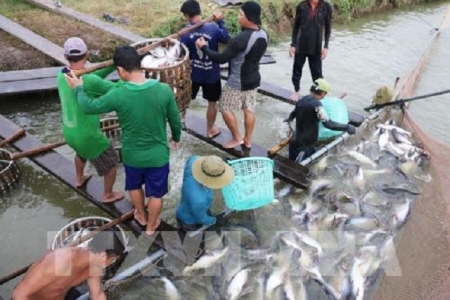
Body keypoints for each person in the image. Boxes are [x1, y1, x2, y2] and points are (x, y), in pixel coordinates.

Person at [65, 46, 182, 235]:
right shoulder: (164, 89)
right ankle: (152, 226)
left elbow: (89, 106)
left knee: (134, 186)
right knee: (156, 194)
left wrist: (79, 88)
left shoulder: (118, 94)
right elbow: (175, 119)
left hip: (132, 155)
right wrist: (175, 137)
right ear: (139, 65)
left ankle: (141, 216)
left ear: (120, 70)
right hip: (158, 155)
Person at [57, 37, 124, 203]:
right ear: (87, 54)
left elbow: (92, 75)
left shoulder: (62, 75)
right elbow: (118, 90)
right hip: (88, 136)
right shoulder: (90, 81)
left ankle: (79, 178)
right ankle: (108, 195)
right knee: (111, 164)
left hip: (70, 132)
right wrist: (127, 73)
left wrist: (112, 65)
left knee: (81, 153)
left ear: (66, 57)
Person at [195, 1, 268, 150]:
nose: (238, 17)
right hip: (254, 78)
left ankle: (237, 138)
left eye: (241, 15)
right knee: (249, 109)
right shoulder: (263, 33)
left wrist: (204, 48)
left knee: (224, 106)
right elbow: (235, 45)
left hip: (237, 80)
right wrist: (221, 22)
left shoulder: (242, 38)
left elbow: (222, 58)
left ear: (250, 18)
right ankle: (247, 140)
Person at [12, 228, 125, 300]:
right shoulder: (61, 262)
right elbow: (19, 295)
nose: (112, 263)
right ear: (103, 255)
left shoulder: (94, 266)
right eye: (113, 260)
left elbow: (97, 295)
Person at [180, 0, 230, 138]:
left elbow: (181, 53)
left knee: (185, 98)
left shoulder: (185, 32)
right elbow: (226, 38)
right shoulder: (213, 28)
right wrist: (221, 22)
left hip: (193, 74)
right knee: (212, 103)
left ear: (186, 15)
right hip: (211, 74)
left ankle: (182, 119)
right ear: (199, 12)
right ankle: (209, 130)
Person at [284, 78, 355, 162]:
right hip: (303, 147)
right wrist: (347, 127)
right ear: (323, 93)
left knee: (293, 161)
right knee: (298, 167)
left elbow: (293, 114)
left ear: (311, 90)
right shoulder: (317, 106)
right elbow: (329, 124)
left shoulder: (302, 99)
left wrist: (288, 120)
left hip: (296, 140)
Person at [176, 155, 234, 231]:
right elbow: (200, 218)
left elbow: (209, 163)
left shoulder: (193, 160)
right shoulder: (199, 200)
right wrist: (215, 220)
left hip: (186, 206)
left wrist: (221, 166)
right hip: (189, 221)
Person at [289, 0, 332, 101]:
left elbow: (328, 28)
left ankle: (320, 95)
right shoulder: (302, 6)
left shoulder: (326, 7)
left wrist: (326, 46)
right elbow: (296, 26)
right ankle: (296, 90)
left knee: (317, 74)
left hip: (316, 46)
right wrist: (293, 44)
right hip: (301, 45)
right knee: (297, 70)